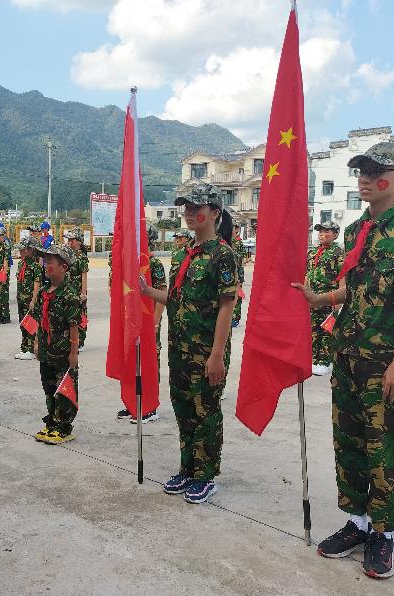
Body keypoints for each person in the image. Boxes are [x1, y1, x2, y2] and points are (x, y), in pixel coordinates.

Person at [292, 142, 394, 580]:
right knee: (349, 443)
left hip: (385, 363)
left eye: (377, 172)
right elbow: (353, 288)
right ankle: (356, 523)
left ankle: (383, 533)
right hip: (348, 356)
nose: (366, 179)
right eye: (361, 171)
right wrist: (320, 298)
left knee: (384, 447)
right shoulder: (356, 230)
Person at [140, 183, 238, 504]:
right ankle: (188, 467)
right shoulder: (182, 254)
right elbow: (175, 298)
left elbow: (227, 306)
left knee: (205, 410)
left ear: (214, 213)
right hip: (179, 348)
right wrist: (147, 291)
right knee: (183, 408)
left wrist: (217, 355)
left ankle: (205, 475)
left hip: (206, 351)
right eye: (186, 208)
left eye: (196, 208)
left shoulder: (223, 255)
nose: (189, 213)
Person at [31, 243, 81, 445]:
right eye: (45, 261)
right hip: (46, 350)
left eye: (50, 261)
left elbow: (74, 326)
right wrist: (36, 342)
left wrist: (74, 353)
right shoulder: (45, 291)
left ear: (64, 267)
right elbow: (40, 321)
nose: (46, 265)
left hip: (62, 353)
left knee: (64, 389)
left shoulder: (69, 295)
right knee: (49, 387)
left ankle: (64, 427)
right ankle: (52, 421)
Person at [118, 225, 166, 424]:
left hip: (148, 321)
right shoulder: (129, 262)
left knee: (148, 362)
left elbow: (163, 292)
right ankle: (134, 402)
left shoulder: (153, 263)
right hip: (131, 320)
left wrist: (155, 321)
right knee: (132, 361)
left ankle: (150, 407)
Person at [305, 221, 344, 376]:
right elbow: (307, 274)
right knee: (312, 330)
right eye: (320, 231)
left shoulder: (339, 253)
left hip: (329, 298)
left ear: (335, 235)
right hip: (312, 298)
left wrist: (339, 301)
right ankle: (313, 359)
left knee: (327, 331)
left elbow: (343, 276)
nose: (322, 234)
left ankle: (325, 361)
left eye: (327, 231)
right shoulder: (312, 252)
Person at [14, 236, 41, 360]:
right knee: (23, 323)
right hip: (21, 298)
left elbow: (37, 284)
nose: (20, 251)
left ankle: (31, 349)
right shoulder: (22, 263)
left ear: (30, 250)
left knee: (31, 324)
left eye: (23, 249)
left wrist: (33, 300)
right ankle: (24, 348)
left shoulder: (35, 266)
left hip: (30, 299)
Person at [64, 228, 89, 351]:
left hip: (78, 291)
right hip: (68, 291)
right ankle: (71, 340)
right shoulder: (67, 255)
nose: (69, 242)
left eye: (72, 240)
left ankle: (81, 341)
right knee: (69, 316)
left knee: (80, 315)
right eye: (68, 240)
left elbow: (84, 275)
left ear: (78, 241)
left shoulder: (81, 257)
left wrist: (83, 293)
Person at [230, 233, 248, 328]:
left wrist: (240, 278)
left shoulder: (238, 242)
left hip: (237, 271)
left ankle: (235, 317)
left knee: (237, 294)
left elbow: (242, 257)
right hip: (230, 271)